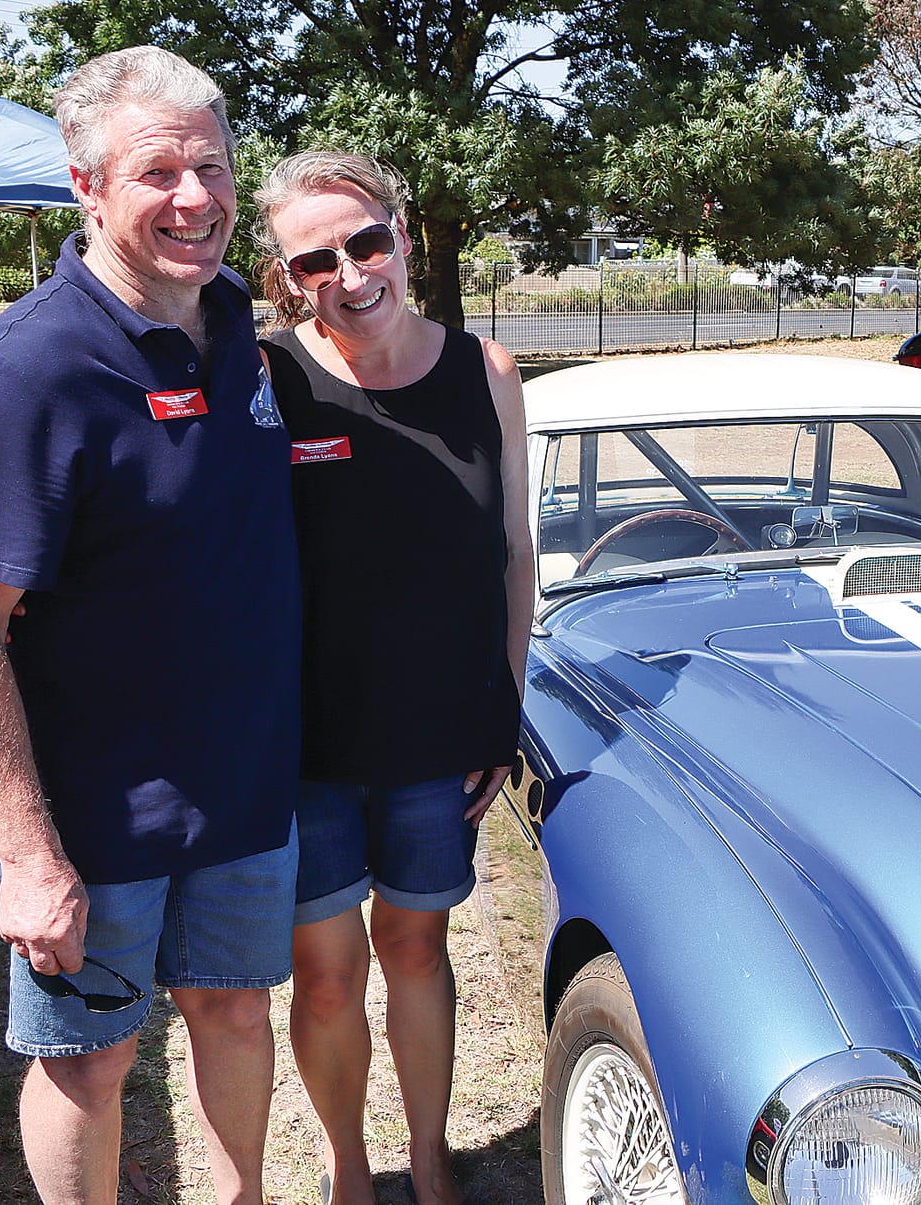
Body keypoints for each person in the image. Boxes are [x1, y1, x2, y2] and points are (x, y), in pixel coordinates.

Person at [0, 46, 301, 1205]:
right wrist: (29, 859)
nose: (196, 197)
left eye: (214, 165)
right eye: (157, 172)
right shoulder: (29, 372)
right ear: (86, 189)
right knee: (90, 1060)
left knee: (234, 1016)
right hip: (92, 816)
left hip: (240, 790)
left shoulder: (234, 317)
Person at [254, 151, 531, 1205]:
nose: (351, 272)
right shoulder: (269, 381)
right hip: (307, 749)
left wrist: (500, 713)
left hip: (440, 740)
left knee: (416, 952)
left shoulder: (487, 374)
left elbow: (516, 556)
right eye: (316, 259)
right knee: (326, 978)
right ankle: (348, 1169)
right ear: (288, 279)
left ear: (401, 237)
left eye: (367, 243)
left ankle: (427, 1155)